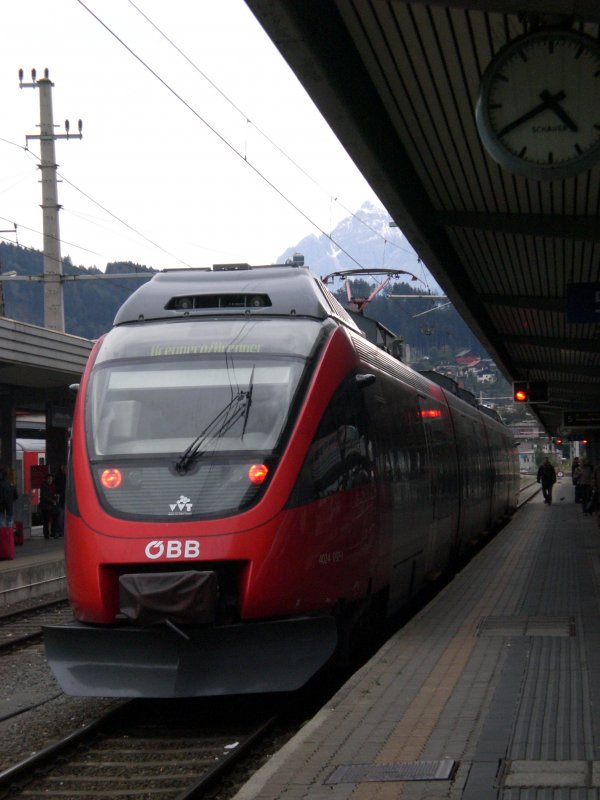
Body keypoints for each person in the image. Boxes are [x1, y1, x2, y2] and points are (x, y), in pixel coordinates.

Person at [39, 473, 59, 539]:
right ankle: (47, 535)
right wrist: (52, 501)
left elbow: (52, 494)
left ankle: (53, 533)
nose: (50, 480)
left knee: (55, 517)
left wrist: (55, 497)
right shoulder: (44, 486)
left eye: (51, 479)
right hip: (45, 506)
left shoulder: (52, 486)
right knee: (46, 521)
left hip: (51, 506)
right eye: (49, 479)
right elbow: (44, 497)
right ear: (46, 479)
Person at [53, 464, 67, 537]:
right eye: (65, 468)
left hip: (62, 500)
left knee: (61, 516)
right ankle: (60, 531)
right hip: (62, 500)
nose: (67, 470)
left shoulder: (59, 476)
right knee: (61, 516)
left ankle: (60, 531)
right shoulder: (61, 477)